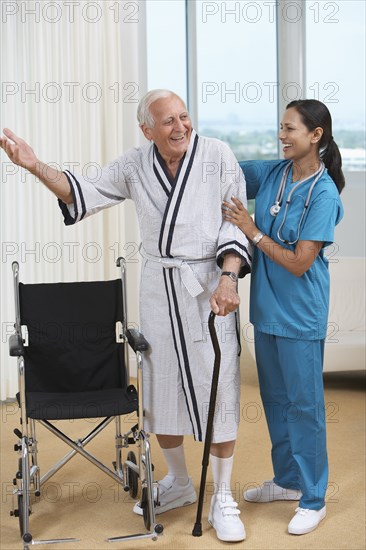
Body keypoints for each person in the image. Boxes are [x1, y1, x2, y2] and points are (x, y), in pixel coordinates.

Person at [0, 89, 252, 542]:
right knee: (160, 388)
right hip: (159, 287)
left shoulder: (217, 155)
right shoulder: (135, 164)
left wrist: (229, 277)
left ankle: (224, 495)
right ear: (147, 130)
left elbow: (234, 220)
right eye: (168, 122)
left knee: (219, 384)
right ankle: (178, 481)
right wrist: (35, 166)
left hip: (210, 286)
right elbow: (84, 193)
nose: (181, 127)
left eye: (184, 116)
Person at [223, 99, 344, 536]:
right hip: (268, 313)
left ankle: (313, 499)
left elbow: (298, 262)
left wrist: (251, 229)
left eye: (291, 129)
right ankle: (288, 481)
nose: (282, 135)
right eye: (281, 127)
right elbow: (223, 167)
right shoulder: (273, 173)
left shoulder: (324, 193)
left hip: (301, 316)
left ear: (316, 135)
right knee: (276, 403)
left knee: (305, 408)